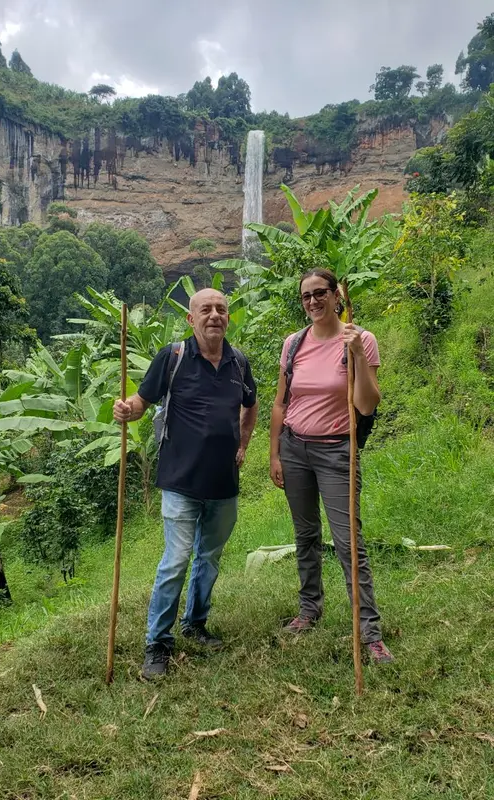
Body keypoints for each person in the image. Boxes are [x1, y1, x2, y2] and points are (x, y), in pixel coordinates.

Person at [113, 289, 258, 679]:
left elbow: (251, 403)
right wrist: (128, 408)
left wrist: (243, 444)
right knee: (176, 561)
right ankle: (157, 643)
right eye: (205, 309)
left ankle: (195, 624)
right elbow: (143, 400)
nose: (214, 315)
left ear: (229, 318)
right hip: (180, 481)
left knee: (208, 560)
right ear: (191, 319)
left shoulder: (238, 361)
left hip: (223, 483)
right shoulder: (173, 357)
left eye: (221, 309)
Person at [269, 268, 394, 663]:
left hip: (337, 450)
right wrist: (274, 453)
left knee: (348, 543)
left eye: (320, 293)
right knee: (305, 535)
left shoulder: (360, 340)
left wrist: (356, 353)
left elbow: (367, 404)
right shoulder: (293, 344)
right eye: (305, 296)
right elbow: (281, 402)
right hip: (294, 449)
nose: (312, 302)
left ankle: (369, 631)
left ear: (336, 295)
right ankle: (310, 609)